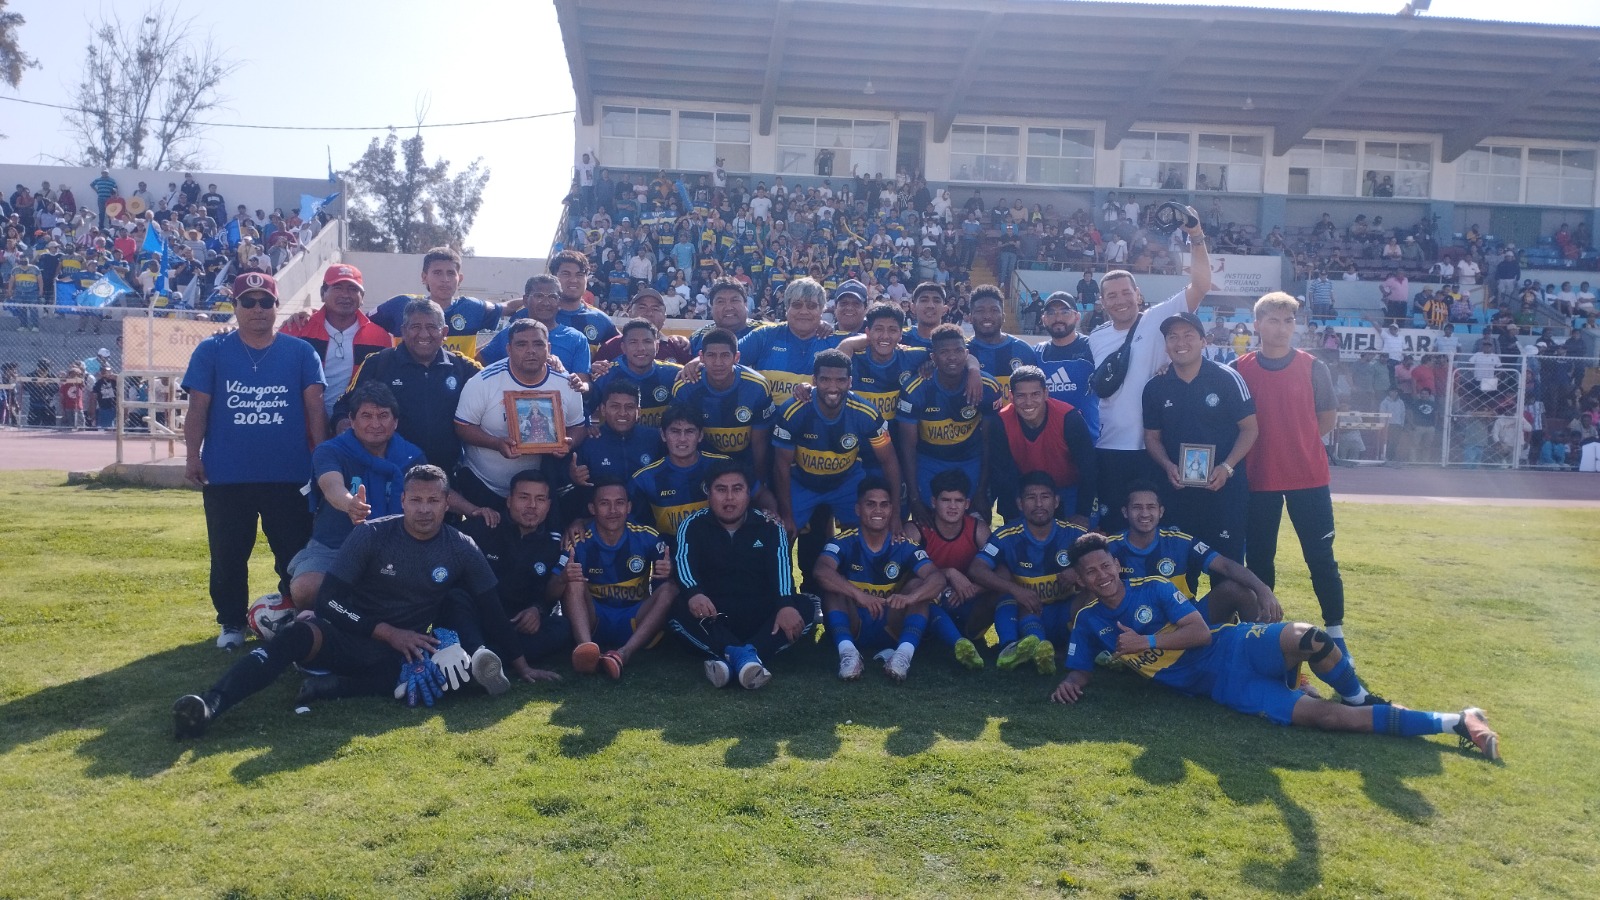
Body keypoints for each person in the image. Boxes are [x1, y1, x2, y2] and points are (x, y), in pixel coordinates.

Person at [172, 466, 558, 739]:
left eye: (433, 501)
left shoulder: (462, 547)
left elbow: (490, 609)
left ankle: (332, 687)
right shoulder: (371, 535)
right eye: (416, 500)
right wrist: (386, 631)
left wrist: (521, 665)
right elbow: (330, 600)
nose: (424, 509)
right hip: (348, 634)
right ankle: (211, 704)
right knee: (294, 637)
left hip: (400, 654)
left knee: (447, 674)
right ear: (402, 500)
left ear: (446, 504)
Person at [1049, 534, 1501, 762]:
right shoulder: (1088, 621)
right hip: (1227, 687)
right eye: (1090, 573)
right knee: (1327, 719)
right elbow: (1081, 668)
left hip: (1232, 646)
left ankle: (1359, 696)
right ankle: (1458, 721)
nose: (1100, 577)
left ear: (1117, 565)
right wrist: (1072, 683)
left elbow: (1201, 633)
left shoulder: (1155, 587)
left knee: (1310, 637)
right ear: (1081, 579)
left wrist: (1145, 641)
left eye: (1105, 566)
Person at [182, 273, 327, 651]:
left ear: (278, 307)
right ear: (235, 306)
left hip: (289, 475)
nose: (257, 309)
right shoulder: (211, 350)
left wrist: (323, 460)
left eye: (266, 302)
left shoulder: (301, 352)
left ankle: (296, 615)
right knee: (228, 554)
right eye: (248, 301)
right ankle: (231, 622)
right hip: (227, 475)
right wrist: (192, 455)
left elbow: (315, 410)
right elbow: (198, 409)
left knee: (294, 552)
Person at [287, 382, 496, 608]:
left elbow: (436, 491)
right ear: (352, 420)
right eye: (366, 416)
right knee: (305, 588)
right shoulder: (330, 451)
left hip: (395, 547)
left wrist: (472, 510)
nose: (375, 424)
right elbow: (331, 486)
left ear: (395, 422)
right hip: (335, 544)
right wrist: (350, 505)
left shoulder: (411, 455)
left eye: (383, 416)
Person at [1232, 293, 1357, 660]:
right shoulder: (1238, 368)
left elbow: (1327, 417)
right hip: (1259, 478)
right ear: (1257, 324)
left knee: (1320, 557)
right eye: (1273, 320)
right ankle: (1264, 630)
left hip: (1309, 478)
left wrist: (1297, 442)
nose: (1282, 328)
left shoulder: (1313, 367)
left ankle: (1336, 632)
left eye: (1288, 321)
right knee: (1259, 558)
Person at [1088, 208, 1211, 533]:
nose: (1120, 300)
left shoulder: (1158, 317)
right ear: (1102, 302)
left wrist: (1195, 235)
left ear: (1138, 294)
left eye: (1126, 293)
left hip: (1152, 449)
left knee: (1155, 529)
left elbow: (1201, 284)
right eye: (1111, 296)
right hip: (1109, 448)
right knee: (1112, 529)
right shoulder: (1095, 338)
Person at [669, 460, 814, 689]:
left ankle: (735, 658)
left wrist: (785, 604)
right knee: (677, 607)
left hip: (759, 613)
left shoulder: (769, 526)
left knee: (805, 606)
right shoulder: (693, 525)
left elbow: (782, 570)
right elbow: (683, 564)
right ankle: (746, 658)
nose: (729, 498)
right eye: (721, 489)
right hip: (714, 615)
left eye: (737, 489)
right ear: (708, 493)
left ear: (748, 494)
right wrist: (694, 593)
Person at [773, 349, 906, 569]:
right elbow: (781, 465)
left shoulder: (866, 412)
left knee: (872, 531)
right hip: (803, 483)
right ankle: (782, 587)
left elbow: (889, 461)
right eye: (825, 379)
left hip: (846, 483)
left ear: (850, 382)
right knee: (781, 535)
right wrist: (786, 514)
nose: (833, 387)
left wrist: (896, 514)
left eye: (840, 380)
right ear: (814, 380)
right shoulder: (793, 411)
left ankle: (862, 582)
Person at [1141, 312, 1257, 560]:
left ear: (1204, 341)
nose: (1180, 342)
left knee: (1228, 571)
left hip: (1224, 491)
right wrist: (1167, 465)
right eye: (1173, 337)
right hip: (1176, 492)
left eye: (1188, 335)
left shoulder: (1227, 378)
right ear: (1166, 345)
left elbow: (1250, 429)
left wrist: (1226, 467)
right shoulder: (1155, 387)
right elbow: (1152, 438)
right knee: (1178, 570)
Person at [814, 477, 946, 682]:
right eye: (871, 504)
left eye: (884, 505)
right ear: (858, 509)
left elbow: (937, 578)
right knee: (833, 586)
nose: (878, 510)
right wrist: (859, 595)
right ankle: (848, 654)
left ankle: (902, 656)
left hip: (891, 624)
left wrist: (910, 598)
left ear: (891, 510)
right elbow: (821, 571)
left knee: (918, 586)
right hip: (855, 623)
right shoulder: (844, 541)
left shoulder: (904, 545)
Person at [453, 320, 587, 514]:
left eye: (538, 344)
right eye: (521, 344)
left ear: (549, 348)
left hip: (538, 493)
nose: (531, 351)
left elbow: (578, 426)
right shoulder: (483, 381)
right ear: (508, 349)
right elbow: (462, 426)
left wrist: (568, 442)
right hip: (485, 485)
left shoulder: (567, 384)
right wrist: (496, 443)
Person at [1108, 482, 1283, 626]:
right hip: (1135, 624)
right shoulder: (1109, 547)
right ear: (1125, 512)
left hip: (1186, 622)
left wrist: (1263, 589)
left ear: (1160, 512)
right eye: (1137, 507)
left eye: (1151, 507)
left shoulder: (1180, 541)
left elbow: (1225, 566)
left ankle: (1259, 644)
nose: (1145, 513)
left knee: (1236, 589)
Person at [967, 473, 1088, 674]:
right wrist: (1015, 589)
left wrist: (1078, 571)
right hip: (1030, 614)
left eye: (1045, 497)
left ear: (1056, 501)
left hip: (1067, 612)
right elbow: (976, 568)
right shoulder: (1006, 535)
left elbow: (1106, 563)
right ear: (1020, 504)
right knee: (1002, 577)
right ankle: (1036, 649)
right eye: (1031, 497)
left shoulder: (1075, 534)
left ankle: (1086, 647)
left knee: (1094, 590)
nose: (1039, 504)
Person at [347, 298, 482, 475]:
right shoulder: (378, 363)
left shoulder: (461, 366)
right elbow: (345, 407)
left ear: (444, 332)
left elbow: (496, 387)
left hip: (448, 474)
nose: (424, 334)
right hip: (388, 473)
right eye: (415, 326)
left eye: (432, 327)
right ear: (403, 331)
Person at [558, 478, 676, 680]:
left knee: (670, 589)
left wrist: (669, 571)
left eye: (619, 503)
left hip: (634, 619)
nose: (613, 510)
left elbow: (665, 581)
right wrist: (562, 578)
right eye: (605, 503)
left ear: (629, 507)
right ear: (592, 508)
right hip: (594, 620)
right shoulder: (578, 541)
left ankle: (624, 654)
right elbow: (551, 591)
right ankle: (587, 649)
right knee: (573, 579)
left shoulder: (647, 536)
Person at [459, 469, 574, 667]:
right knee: (457, 599)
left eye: (540, 499)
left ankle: (487, 658)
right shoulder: (483, 527)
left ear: (548, 505)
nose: (532, 505)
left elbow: (545, 597)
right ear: (509, 501)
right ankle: (483, 653)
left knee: (562, 627)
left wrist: (537, 610)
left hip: (515, 623)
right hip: (479, 617)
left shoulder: (552, 546)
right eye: (524, 497)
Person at [897, 324, 1001, 519]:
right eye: (944, 352)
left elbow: (990, 442)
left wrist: (981, 489)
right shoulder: (915, 389)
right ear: (933, 357)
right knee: (928, 522)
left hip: (971, 459)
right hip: (929, 461)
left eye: (958, 351)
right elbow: (908, 447)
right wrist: (915, 498)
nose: (952, 357)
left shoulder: (987, 386)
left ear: (967, 354)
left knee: (976, 520)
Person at [279, 264, 391, 417]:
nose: (345, 295)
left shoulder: (380, 337)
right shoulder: (296, 329)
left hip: (355, 426)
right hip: (301, 424)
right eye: (337, 288)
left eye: (353, 289)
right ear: (322, 293)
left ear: (362, 297)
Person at [630, 404, 757, 538]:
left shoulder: (723, 465)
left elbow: (758, 495)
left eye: (690, 431)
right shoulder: (644, 479)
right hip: (670, 550)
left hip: (721, 546)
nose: (682, 439)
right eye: (675, 431)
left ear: (700, 435)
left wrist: (769, 512)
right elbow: (636, 528)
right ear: (663, 435)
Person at [994, 365, 1098, 525]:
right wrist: (1012, 516)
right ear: (1011, 396)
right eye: (1021, 396)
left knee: (1081, 534)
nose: (1028, 402)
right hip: (1029, 490)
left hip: (1069, 488)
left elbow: (1088, 469)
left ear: (1046, 393)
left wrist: (1082, 513)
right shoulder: (1002, 421)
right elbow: (1002, 474)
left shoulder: (1069, 418)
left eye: (1035, 394)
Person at [669, 326, 774, 473]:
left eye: (725, 355)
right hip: (702, 466)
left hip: (745, 464)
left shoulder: (757, 386)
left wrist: (759, 479)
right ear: (701, 357)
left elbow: (759, 442)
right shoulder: (685, 388)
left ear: (736, 357)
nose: (718, 363)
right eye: (711, 355)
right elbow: (680, 438)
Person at [369, 247, 521, 345]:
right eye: (437, 273)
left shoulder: (472, 308)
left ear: (459, 279)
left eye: (450, 273)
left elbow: (507, 307)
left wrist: (532, 299)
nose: (445, 279)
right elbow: (363, 323)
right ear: (424, 277)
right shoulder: (401, 305)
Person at [918, 469, 992, 670]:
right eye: (946, 500)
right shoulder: (917, 530)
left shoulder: (978, 529)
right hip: (933, 602)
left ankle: (1005, 644)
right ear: (933, 502)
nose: (952, 506)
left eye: (958, 501)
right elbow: (906, 580)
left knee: (1001, 593)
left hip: (967, 600)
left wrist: (971, 589)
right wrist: (948, 573)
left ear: (967, 504)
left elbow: (1002, 573)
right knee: (920, 593)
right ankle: (959, 644)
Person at [587, 319, 682, 427]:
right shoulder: (605, 374)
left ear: (657, 346)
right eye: (633, 342)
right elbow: (583, 411)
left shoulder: (675, 374)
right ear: (623, 348)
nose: (641, 348)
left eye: (647, 341)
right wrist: (588, 428)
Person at [1035, 291, 1100, 441]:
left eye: (1065, 312)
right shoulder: (1036, 353)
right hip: (1049, 444)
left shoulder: (1094, 348)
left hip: (1089, 443)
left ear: (1077, 316)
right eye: (1051, 313)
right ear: (1043, 319)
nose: (1058, 318)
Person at [966, 286, 1039, 394]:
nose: (987, 316)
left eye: (994, 310)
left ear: (1003, 317)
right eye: (980, 310)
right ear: (970, 318)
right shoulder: (963, 352)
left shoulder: (1023, 351)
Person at [594, 287, 692, 364]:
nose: (649, 313)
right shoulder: (611, 347)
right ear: (630, 312)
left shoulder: (678, 347)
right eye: (642, 307)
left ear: (665, 316)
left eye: (655, 309)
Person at [550, 249, 619, 354]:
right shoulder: (534, 314)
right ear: (553, 278)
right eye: (566, 274)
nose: (573, 280)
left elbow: (624, 352)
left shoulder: (600, 319)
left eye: (580, 275)